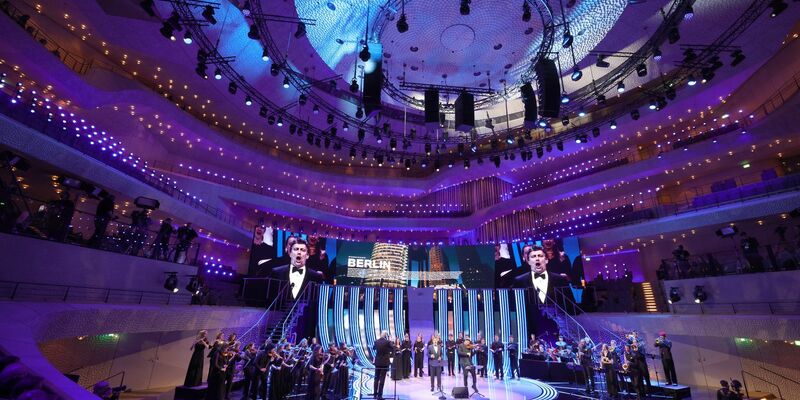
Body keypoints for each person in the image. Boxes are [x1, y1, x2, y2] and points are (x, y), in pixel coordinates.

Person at [372, 330, 392, 400]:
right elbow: (392, 348)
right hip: (384, 363)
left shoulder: (376, 341)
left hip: (377, 362)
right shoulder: (387, 342)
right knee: (382, 379)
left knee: (376, 378)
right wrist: (390, 341)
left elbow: (374, 348)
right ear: (386, 335)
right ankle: (379, 396)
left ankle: (375, 394)